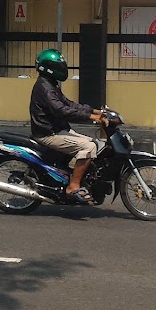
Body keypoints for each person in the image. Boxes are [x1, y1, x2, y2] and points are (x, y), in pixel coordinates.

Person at [29, 48, 104, 204]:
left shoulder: (50, 84)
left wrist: (96, 111)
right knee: (88, 147)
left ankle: (73, 174)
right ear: (48, 67)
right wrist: (91, 117)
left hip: (58, 130)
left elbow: (69, 104)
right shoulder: (45, 88)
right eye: (58, 66)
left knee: (96, 144)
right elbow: (61, 110)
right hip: (48, 134)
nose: (62, 69)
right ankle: (73, 186)